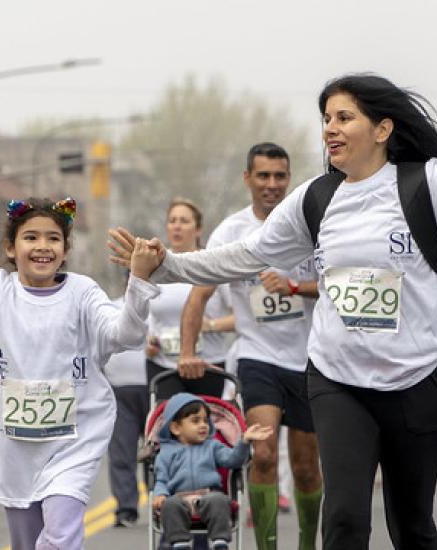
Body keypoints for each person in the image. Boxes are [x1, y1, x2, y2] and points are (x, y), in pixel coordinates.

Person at [110, 74, 437, 549]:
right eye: (326, 120)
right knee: (346, 518)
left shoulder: (430, 184)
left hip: (421, 379)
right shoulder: (314, 199)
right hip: (340, 381)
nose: (330, 129)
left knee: (412, 523)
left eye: (343, 118)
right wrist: (167, 267)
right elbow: (247, 255)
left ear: (382, 128)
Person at [0, 174, 161, 550]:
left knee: (60, 537)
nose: (43, 247)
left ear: (66, 249)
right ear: (11, 248)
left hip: (74, 440)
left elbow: (125, 335)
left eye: (53, 239)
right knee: (27, 543)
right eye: (31, 237)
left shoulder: (82, 293)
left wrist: (137, 282)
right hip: (14, 448)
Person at [177, 143, 322, 550]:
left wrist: (295, 287)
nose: (272, 185)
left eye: (279, 176)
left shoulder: (309, 227)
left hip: (310, 358)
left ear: (288, 179)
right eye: (263, 176)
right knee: (262, 454)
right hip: (257, 357)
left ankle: (308, 544)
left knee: (307, 467)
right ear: (248, 179)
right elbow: (198, 296)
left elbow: (336, 286)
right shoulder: (232, 232)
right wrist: (188, 352)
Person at [152, 392, 273, 550]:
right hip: (179, 498)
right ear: (175, 428)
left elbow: (233, 460)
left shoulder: (213, 446)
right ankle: (179, 543)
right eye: (195, 421)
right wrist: (160, 494)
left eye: (205, 421)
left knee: (219, 500)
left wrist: (244, 441)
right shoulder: (166, 453)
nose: (203, 425)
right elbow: (161, 479)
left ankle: (220, 542)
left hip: (208, 494)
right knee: (170, 505)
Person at [146, 198, 233, 400]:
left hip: (208, 364)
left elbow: (241, 317)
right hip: (163, 364)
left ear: (198, 229)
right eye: (172, 220)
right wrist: (148, 339)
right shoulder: (155, 265)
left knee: (203, 428)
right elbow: (146, 314)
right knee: (166, 426)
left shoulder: (212, 265)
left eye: (184, 221)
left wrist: (209, 325)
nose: (177, 226)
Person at [103, 295, 150, 528]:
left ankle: (162, 503)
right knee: (122, 450)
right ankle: (126, 508)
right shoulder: (109, 305)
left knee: (159, 450)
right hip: (119, 389)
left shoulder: (159, 305)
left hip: (155, 385)